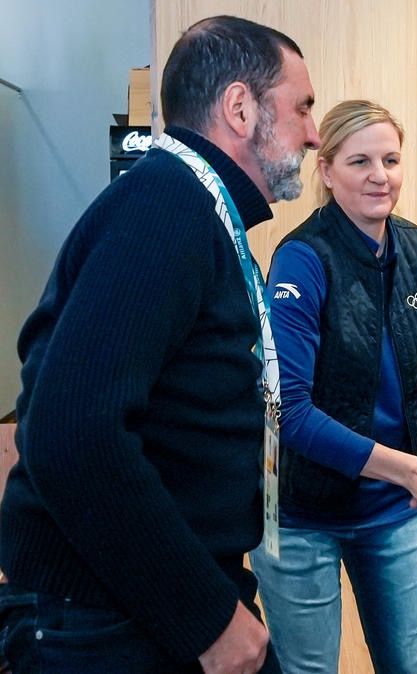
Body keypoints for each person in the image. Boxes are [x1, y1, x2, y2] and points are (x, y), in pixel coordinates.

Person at [0, 15, 320, 674]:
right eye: (302, 108)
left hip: (145, 598)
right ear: (241, 108)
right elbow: (70, 431)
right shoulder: (165, 208)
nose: (313, 133)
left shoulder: (189, 209)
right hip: (108, 617)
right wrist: (204, 615)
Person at [248, 100, 417, 673]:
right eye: (359, 161)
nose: (379, 176)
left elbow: (410, 383)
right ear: (327, 169)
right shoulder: (302, 259)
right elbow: (288, 412)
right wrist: (412, 470)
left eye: (390, 159)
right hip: (300, 513)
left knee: (415, 667)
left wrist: (416, 476)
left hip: (390, 506)